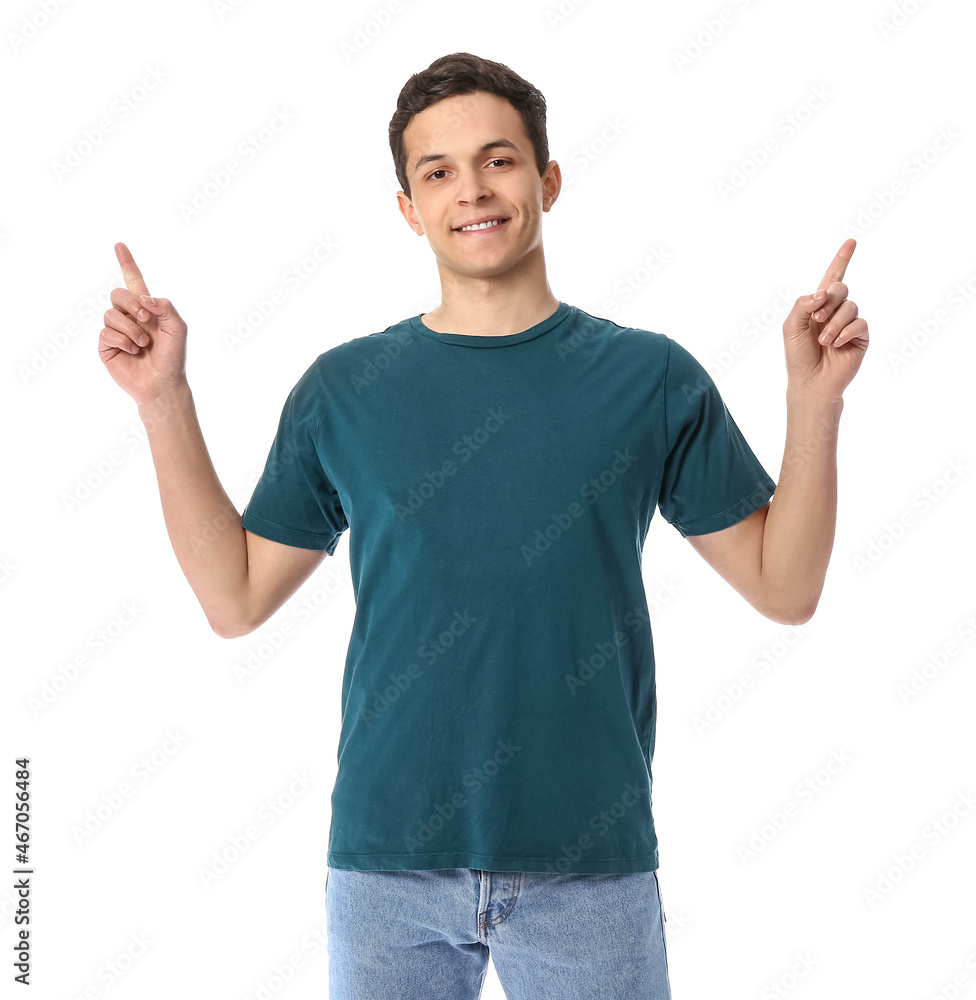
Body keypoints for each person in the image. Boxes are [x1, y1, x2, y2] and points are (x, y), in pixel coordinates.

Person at [99, 51, 868, 1000]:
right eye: (438, 171)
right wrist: (162, 397)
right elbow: (234, 596)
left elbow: (784, 588)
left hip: (592, 864)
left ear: (547, 179)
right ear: (408, 207)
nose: (472, 189)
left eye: (499, 160)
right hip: (388, 868)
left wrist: (814, 403)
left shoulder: (649, 378)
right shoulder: (345, 389)